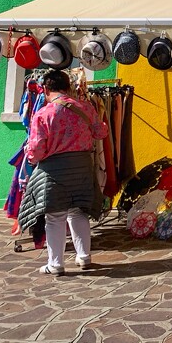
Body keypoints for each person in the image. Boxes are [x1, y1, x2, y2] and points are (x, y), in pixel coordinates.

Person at [17, 69, 108, 275]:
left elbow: (37, 151)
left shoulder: (43, 114)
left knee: (55, 217)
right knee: (78, 212)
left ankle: (56, 264)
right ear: (68, 87)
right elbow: (101, 132)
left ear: (46, 89)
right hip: (82, 168)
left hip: (54, 172)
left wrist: (28, 155)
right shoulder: (85, 108)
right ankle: (84, 257)